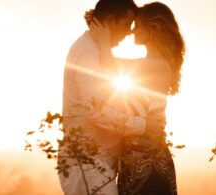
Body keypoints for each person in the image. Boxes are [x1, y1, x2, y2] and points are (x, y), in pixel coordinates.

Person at [59, 0, 166, 194]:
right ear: (110, 21)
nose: (128, 33)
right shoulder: (87, 52)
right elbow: (96, 109)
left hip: (98, 162)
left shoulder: (98, 50)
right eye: (126, 24)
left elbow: (131, 70)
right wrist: (142, 125)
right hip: (87, 160)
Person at [88, 2, 186, 194]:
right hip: (135, 164)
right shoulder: (147, 63)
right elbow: (111, 65)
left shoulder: (158, 65)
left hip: (149, 167)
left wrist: (104, 40)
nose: (132, 31)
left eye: (138, 25)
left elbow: (110, 69)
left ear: (153, 28)